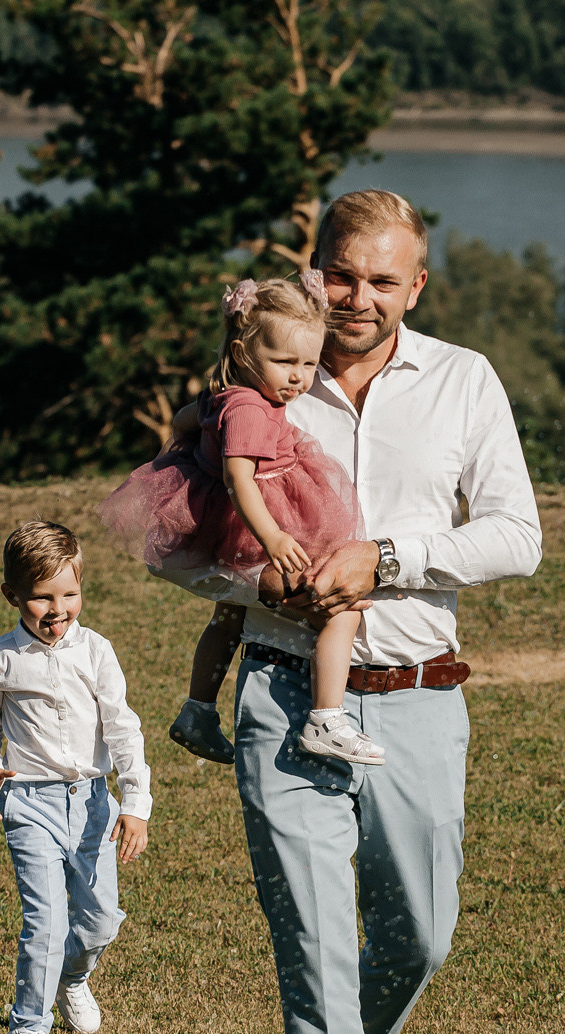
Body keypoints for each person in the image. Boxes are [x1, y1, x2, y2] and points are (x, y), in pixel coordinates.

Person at [153, 190, 542, 1034]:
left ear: (416, 287)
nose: (357, 298)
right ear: (311, 267)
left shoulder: (463, 380)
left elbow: (517, 536)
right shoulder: (255, 386)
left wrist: (387, 557)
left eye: (383, 280)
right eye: (340, 273)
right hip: (282, 697)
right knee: (314, 951)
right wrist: (254, 571)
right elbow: (174, 545)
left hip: (420, 691)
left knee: (418, 932)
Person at [98, 273, 384, 768]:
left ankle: (198, 710)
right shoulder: (251, 409)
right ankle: (327, 718)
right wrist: (271, 534)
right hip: (252, 528)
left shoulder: (225, 395)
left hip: (227, 526)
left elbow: (184, 421)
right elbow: (239, 480)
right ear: (243, 351)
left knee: (229, 615)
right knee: (342, 606)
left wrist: (193, 450)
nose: (298, 377)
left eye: (309, 364)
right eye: (284, 362)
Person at [0, 520, 151, 1034]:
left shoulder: (96, 651)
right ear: (13, 596)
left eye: (69, 594)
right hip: (30, 805)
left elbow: (122, 727)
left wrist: (135, 804)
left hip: (94, 804)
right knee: (43, 921)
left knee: (100, 921)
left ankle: (73, 977)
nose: (58, 609)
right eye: (42, 597)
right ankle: (28, 1025)